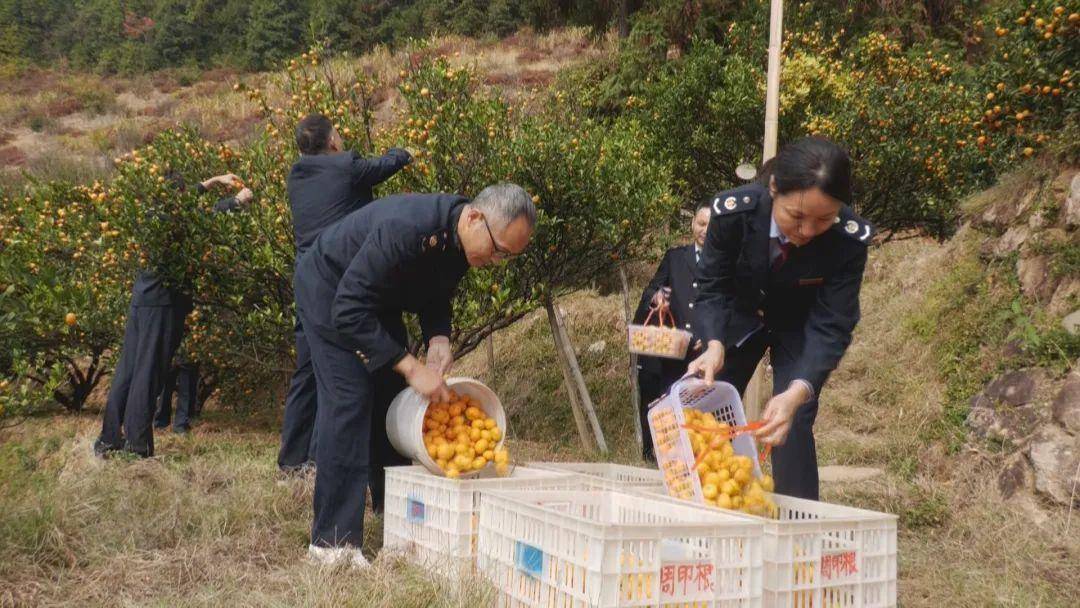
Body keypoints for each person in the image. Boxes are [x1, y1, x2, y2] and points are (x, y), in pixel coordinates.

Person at [293, 183, 535, 566]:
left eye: (508, 257)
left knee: (390, 398)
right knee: (350, 397)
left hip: (374, 297)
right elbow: (348, 309)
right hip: (330, 291)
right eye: (499, 251)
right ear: (475, 218)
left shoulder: (460, 240)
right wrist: (410, 366)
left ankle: (394, 511)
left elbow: (436, 293)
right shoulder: (405, 230)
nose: (496, 262)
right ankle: (332, 544)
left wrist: (438, 338)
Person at [688, 137, 872, 500]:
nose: (806, 232)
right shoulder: (734, 213)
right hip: (739, 316)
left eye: (823, 220)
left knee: (793, 418)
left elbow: (833, 323)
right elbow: (712, 284)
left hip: (799, 325)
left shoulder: (847, 241)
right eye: (796, 216)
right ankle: (708, 500)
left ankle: (798, 528)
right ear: (773, 189)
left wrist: (800, 389)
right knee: (708, 398)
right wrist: (712, 343)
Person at [277, 113, 412, 475]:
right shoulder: (347, 166)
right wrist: (404, 152)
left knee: (308, 370)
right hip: (340, 280)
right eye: (337, 133)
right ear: (332, 141)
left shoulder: (296, 177)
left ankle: (292, 460)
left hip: (305, 283)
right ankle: (331, 460)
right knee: (347, 375)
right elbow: (383, 165)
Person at [95, 173, 253, 458]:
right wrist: (236, 202)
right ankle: (137, 445)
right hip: (163, 304)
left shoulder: (153, 213)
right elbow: (200, 221)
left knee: (128, 370)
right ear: (176, 198)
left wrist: (211, 181)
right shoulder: (175, 220)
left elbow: (186, 205)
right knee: (148, 373)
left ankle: (108, 440)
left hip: (142, 299)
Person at [633, 201, 711, 461]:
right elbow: (652, 290)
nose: (705, 230)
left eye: (711, 226)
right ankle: (653, 455)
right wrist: (658, 298)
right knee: (658, 402)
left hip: (698, 354)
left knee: (693, 410)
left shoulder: (722, 265)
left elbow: (723, 306)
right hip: (668, 348)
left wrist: (707, 338)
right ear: (692, 224)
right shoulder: (675, 258)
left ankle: (687, 459)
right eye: (701, 224)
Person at [154, 360, 201, 435]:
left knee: (184, 389)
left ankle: (179, 423)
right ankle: (164, 423)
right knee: (169, 388)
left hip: (186, 357)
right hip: (176, 356)